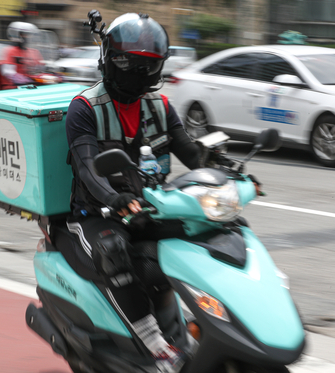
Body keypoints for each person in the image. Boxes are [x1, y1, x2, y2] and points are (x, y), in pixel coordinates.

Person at [60, 13, 203, 373]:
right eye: (132, 65)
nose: (140, 75)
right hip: (94, 214)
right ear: (112, 60)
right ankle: (157, 348)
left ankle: (200, 325)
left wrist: (221, 163)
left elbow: (191, 152)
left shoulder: (161, 106)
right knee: (114, 249)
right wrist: (112, 198)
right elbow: (87, 168)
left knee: (207, 232)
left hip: (150, 208)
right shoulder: (85, 108)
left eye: (149, 67)